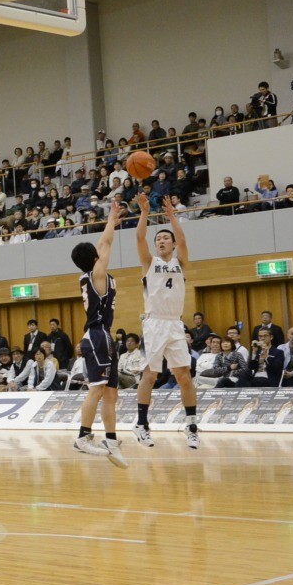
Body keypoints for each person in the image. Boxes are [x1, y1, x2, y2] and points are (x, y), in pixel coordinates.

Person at [133, 195, 199, 449]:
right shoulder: (149, 263)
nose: (161, 241)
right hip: (154, 323)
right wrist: (144, 213)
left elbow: (183, 239)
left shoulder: (180, 263)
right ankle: (141, 424)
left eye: (165, 238)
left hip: (175, 324)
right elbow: (140, 239)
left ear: (172, 244)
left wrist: (172, 215)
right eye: (158, 239)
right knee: (150, 374)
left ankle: (191, 425)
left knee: (184, 375)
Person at [70, 197, 126, 467]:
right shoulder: (96, 275)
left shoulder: (97, 276)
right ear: (94, 259)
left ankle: (111, 440)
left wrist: (112, 222)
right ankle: (83, 436)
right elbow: (105, 244)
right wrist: (111, 219)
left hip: (106, 335)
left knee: (111, 392)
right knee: (97, 389)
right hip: (97, 335)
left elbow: (102, 246)